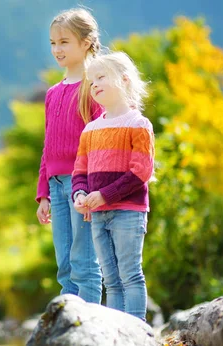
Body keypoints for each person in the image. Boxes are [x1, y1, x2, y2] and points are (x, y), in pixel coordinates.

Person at [72, 51, 154, 321]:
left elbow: (141, 171)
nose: (93, 84)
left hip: (128, 212)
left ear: (125, 80)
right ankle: (116, 335)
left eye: (100, 77)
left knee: (130, 274)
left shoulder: (138, 124)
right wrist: (80, 194)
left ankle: (137, 332)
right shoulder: (90, 130)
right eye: (90, 80)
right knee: (111, 281)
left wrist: (105, 195)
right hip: (97, 214)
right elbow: (79, 171)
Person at [36, 8, 103, 303]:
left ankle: (89, 327)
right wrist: (43, 195)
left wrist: (92, 188)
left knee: (85, 264)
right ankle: (69, 325)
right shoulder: (52, 93)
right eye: (52, 43)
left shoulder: (95, 87)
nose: (56, 49)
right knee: (64, 264)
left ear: (86, 42)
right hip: (56, 186)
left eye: (64, 42)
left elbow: (102, 142)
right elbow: (47, 148)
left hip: (83, 186)